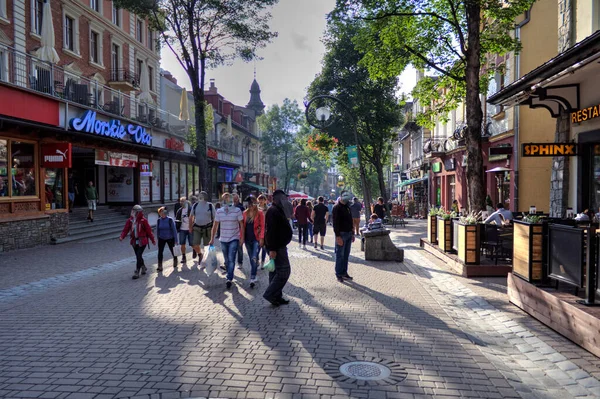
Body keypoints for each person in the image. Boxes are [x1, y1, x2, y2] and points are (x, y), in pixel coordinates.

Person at [263, 189, 294, 307]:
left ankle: (276, 296)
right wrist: (272, 249)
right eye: (283, 198)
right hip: (276, 247)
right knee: (284, 272)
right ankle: (270, 294)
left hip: (278, 246)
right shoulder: (273, 211)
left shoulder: (278, 210)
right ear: (278, 199)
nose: (285, 200)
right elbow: (270, 232)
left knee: (275, 272)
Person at [209, 193, 244, 289]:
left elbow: (241, 224)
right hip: (223, 239)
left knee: (231, 258)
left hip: (234, 238)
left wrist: (242, 238)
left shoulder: (237, 211)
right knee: (227, 260)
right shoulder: (219, 211)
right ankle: (229, 273)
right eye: (225, 199)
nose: (226, 201)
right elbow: (215, 226)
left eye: (228, 199)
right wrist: (212, 238)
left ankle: (229, 278)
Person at [120, 205, 156, 280]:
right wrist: (122, 236)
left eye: (135, 211)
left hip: (142, 241)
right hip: (134, 241)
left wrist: (153, 240)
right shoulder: (130, 221)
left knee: (139, 255)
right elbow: (125, 229)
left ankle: (137, 271)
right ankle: (143, 267)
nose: (133, 212)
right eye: (132, 211)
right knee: (138, 256)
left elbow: (149, 231)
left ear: (138, 212)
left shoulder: (143, 221)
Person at [242, 196, 265, 288]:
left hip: (256, 238)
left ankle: (252, 277)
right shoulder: (244, 213)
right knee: (252, 257)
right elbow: (242, 227)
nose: (251, 205)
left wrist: (262, 238)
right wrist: (241, 238)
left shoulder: (260, 213)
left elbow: (263, 226)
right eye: (249, 203)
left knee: (254, 257)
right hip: (247, 239)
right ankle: (254, 273)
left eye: (252, 203)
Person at [333, 190, 355, 283]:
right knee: (340, 255)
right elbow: (335, 223)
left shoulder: (347, 207)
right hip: (341, 234)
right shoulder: (337, 207)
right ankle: (339, 274)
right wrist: (338, 236)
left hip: (349, 233)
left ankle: (344, 272)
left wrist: (353, 232)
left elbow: (351, 220)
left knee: (346, 255)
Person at [190, 191, 214, 264]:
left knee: (207, 246)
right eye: (200, 196)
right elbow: (191, 216)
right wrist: (190, 227)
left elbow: (215, 218)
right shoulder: (195, 205)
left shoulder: (210, 205)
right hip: (197, 227)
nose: (201, 197)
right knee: (194, 244)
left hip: (207, 228)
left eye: (203, 196)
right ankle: (200, 254)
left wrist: (214, 229)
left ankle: (206, 259)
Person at [156, 207, 179, 272]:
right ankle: (159, 265)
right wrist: (158, 237)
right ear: (159, 213)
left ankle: (175, 259)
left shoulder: (170, 220)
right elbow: (158, 230)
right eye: (160, 212)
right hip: (161, 238)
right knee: (160, 252)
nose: (162, 213)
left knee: (172, 250)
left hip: (170, 238)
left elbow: (174, 230)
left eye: (163, 212)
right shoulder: (158, 220)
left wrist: (176, 240)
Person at [176, 198, 192, 263]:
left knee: (192, 244)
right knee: (182, 244)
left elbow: (194, 219)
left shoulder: (190, 210)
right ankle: (183, 257)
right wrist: (177, 228)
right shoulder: (179, 211)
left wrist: (192, 227)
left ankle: (196, 252)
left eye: (183, 201)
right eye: (180, 201)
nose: (181, 203)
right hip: (182, 229)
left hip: (190, 229)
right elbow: (177, 220)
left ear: (186, 202)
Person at [233, 193, 245, 268]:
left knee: (239, 248)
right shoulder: (229, 206)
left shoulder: (241, 207)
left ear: (238, 198)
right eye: (233, 198)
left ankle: (240, 262)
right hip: (231, 229)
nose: (234, 199)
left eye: (235, 198)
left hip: (239, 230)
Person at [257, 194, 269, 266]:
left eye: (262, 199)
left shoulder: (268, 209)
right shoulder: (256, 208)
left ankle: (263, 262)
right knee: (257, 247)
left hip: (265, 230)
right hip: (257, 230)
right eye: (260, 199)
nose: (261, 201)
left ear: (265, 201)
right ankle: (257, 260)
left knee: (264, 247)